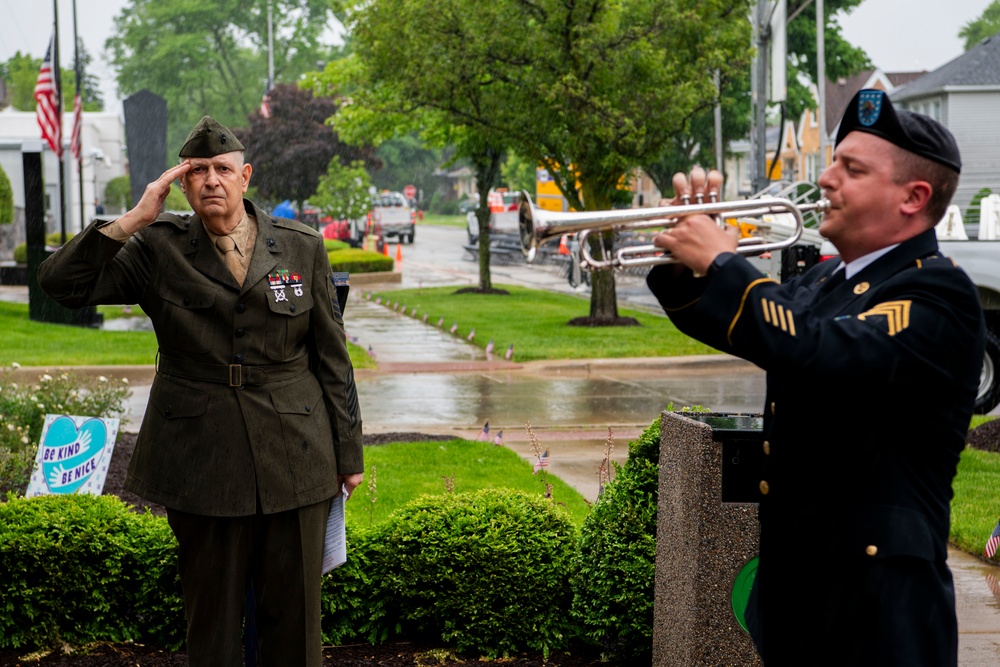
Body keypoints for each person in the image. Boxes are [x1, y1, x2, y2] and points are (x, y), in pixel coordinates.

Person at [646, 89, 985, 666]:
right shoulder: (829, 280)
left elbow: (819, 348)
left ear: (913, 197)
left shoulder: (937, 293)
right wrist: (686, 264)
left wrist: (726, 264)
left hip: (878, 613)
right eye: (833, 162)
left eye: (851, 170)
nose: (825, 179)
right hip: (797, 600)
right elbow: (751, 329)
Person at [39, 116, 364, 667]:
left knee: (297, 625)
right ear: (183, 186)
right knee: (210, 625)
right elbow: (59, 285)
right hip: (201, 458)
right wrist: (132, 220)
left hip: (297, 453)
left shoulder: (300, 246)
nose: (212, 180)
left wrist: (348, 452)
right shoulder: (156, 248)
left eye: (223, 169)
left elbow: (332, 355)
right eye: (198, 171)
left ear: (245, 177)